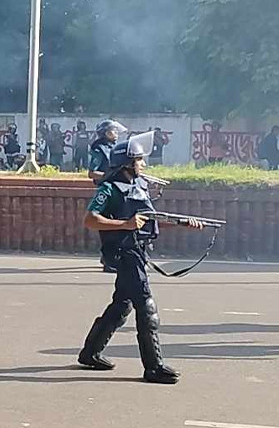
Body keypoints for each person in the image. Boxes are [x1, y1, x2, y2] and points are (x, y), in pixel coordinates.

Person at [76, 131, 203, 384]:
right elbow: (90, 220)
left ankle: (90, 352)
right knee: (146, 306)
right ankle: (153, 366)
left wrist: (180, 223)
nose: (143, 164)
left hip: (137, 249)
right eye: (139, 160)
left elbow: (148, 221)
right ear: (126, 163)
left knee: (122, 305)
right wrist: (124, 224)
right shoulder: (109, 189)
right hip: (123, 252)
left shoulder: (139, 187)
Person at [88, 120, 126, 184]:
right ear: (106, 133)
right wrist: (111, 176)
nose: (116, 132)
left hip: (118, 184)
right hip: (106, 185)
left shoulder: (115, 147)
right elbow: (92, 173)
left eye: (116, 130)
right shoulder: (99, 149)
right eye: (113, 130)